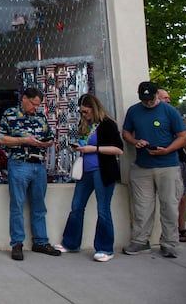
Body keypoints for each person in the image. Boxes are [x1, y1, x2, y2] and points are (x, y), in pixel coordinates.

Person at [54, 94, 124, 261]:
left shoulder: (107, 124)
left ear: (94, 108)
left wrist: (94, 149)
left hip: (103, 170)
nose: (84, 115)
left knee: (103, 209)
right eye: (81, 112)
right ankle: (71, 242)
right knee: (77, 206)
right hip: (86, 170)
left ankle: (105, 248)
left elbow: (118, 150)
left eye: (86, 112)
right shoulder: (86, 124)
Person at [122, 82, 186, 258]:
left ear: (156, 94)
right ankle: (140, 241)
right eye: (144, 99)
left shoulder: (169, 111)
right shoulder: (134, 111)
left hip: (167, 165)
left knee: (169, 206)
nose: (148, 102)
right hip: (142, 165)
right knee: (142, 207)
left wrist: (167, 149)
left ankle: (169, 243)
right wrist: (135, 142)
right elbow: (126, 132)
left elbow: (182, 137)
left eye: (150, 99)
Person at [0, 87, 61, 260]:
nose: (35, 108)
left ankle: (40, 241)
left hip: (38, 165)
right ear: (24, 98)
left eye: (38, 105)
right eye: (33, 104)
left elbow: (49, 137)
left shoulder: (40, 117)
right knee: (17, 205)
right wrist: (24, 140)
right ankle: (17, 244)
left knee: (39, 206)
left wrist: (45, 143)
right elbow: (1, 138)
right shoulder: (10, 114)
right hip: (19, 164)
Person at [157, 89, 186, 243]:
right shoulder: (154, 116)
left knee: (182, 196)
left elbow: (184, 139)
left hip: (180, 159)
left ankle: (182, 228)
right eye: (164, 98)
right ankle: (169, 231)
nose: (168, 100)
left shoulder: (173, 115)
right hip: (162, 162)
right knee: (169, 197)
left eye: (169, 98)